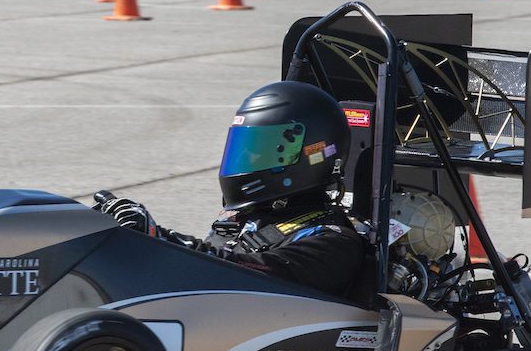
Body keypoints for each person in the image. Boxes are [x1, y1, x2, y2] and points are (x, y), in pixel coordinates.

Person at [96, 80, 371, 305]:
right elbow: (199, 270)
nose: (248, 156)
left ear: (311, 154)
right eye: (245, 147)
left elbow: (245, 274)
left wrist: (159, 238)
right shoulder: (241, 220)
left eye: (261, 151)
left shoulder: (332, 242)